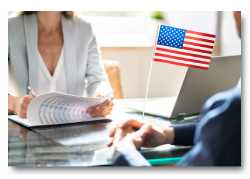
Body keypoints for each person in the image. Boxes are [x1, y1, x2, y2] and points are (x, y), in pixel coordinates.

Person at [107, 11, 241, 166]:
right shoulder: (230, 114)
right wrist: (168, 134)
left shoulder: (232, 108)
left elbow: (231, 122)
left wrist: (125, 152)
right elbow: (225, 127)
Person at [8, 11, 114, 119]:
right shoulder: (10, 27)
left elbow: (98, 80)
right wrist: (14, 103)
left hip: (74, 130)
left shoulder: (85, 28)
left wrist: (102, 96)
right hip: (23, 131)